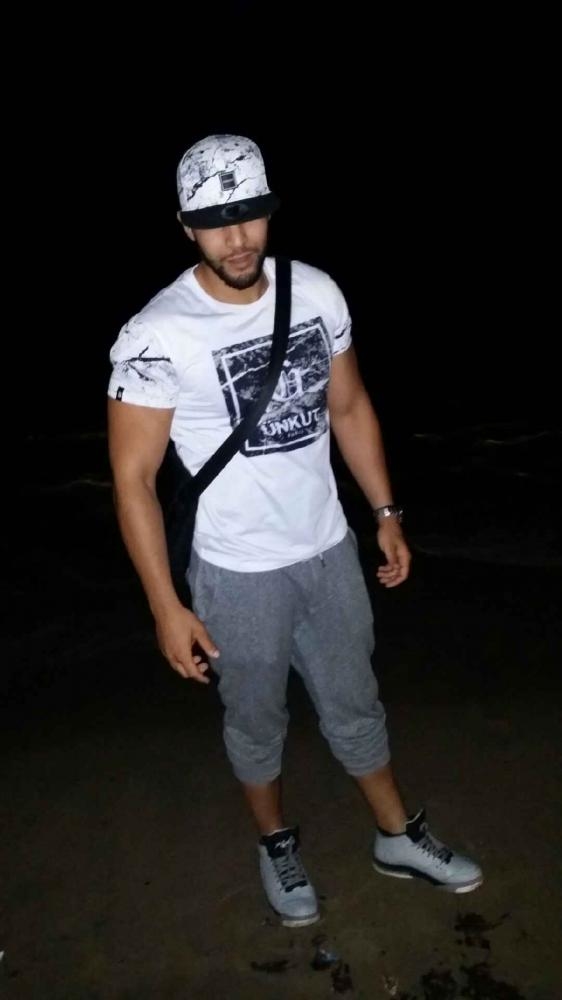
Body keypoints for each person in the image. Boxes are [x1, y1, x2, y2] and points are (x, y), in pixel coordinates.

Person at [107, 133, 483, 928]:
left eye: (250, 214)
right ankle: (275, 843)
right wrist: (166, 607)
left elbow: (348, 406)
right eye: (216, 223)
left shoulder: (315, 292)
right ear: (186, 227)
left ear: (271, 211)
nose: (237, 237)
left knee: (356, 701)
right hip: (235, 574)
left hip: (329, 552)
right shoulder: (154, 335)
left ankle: (396, 835)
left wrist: (385, 514)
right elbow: (133, 480)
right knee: (256, 720)